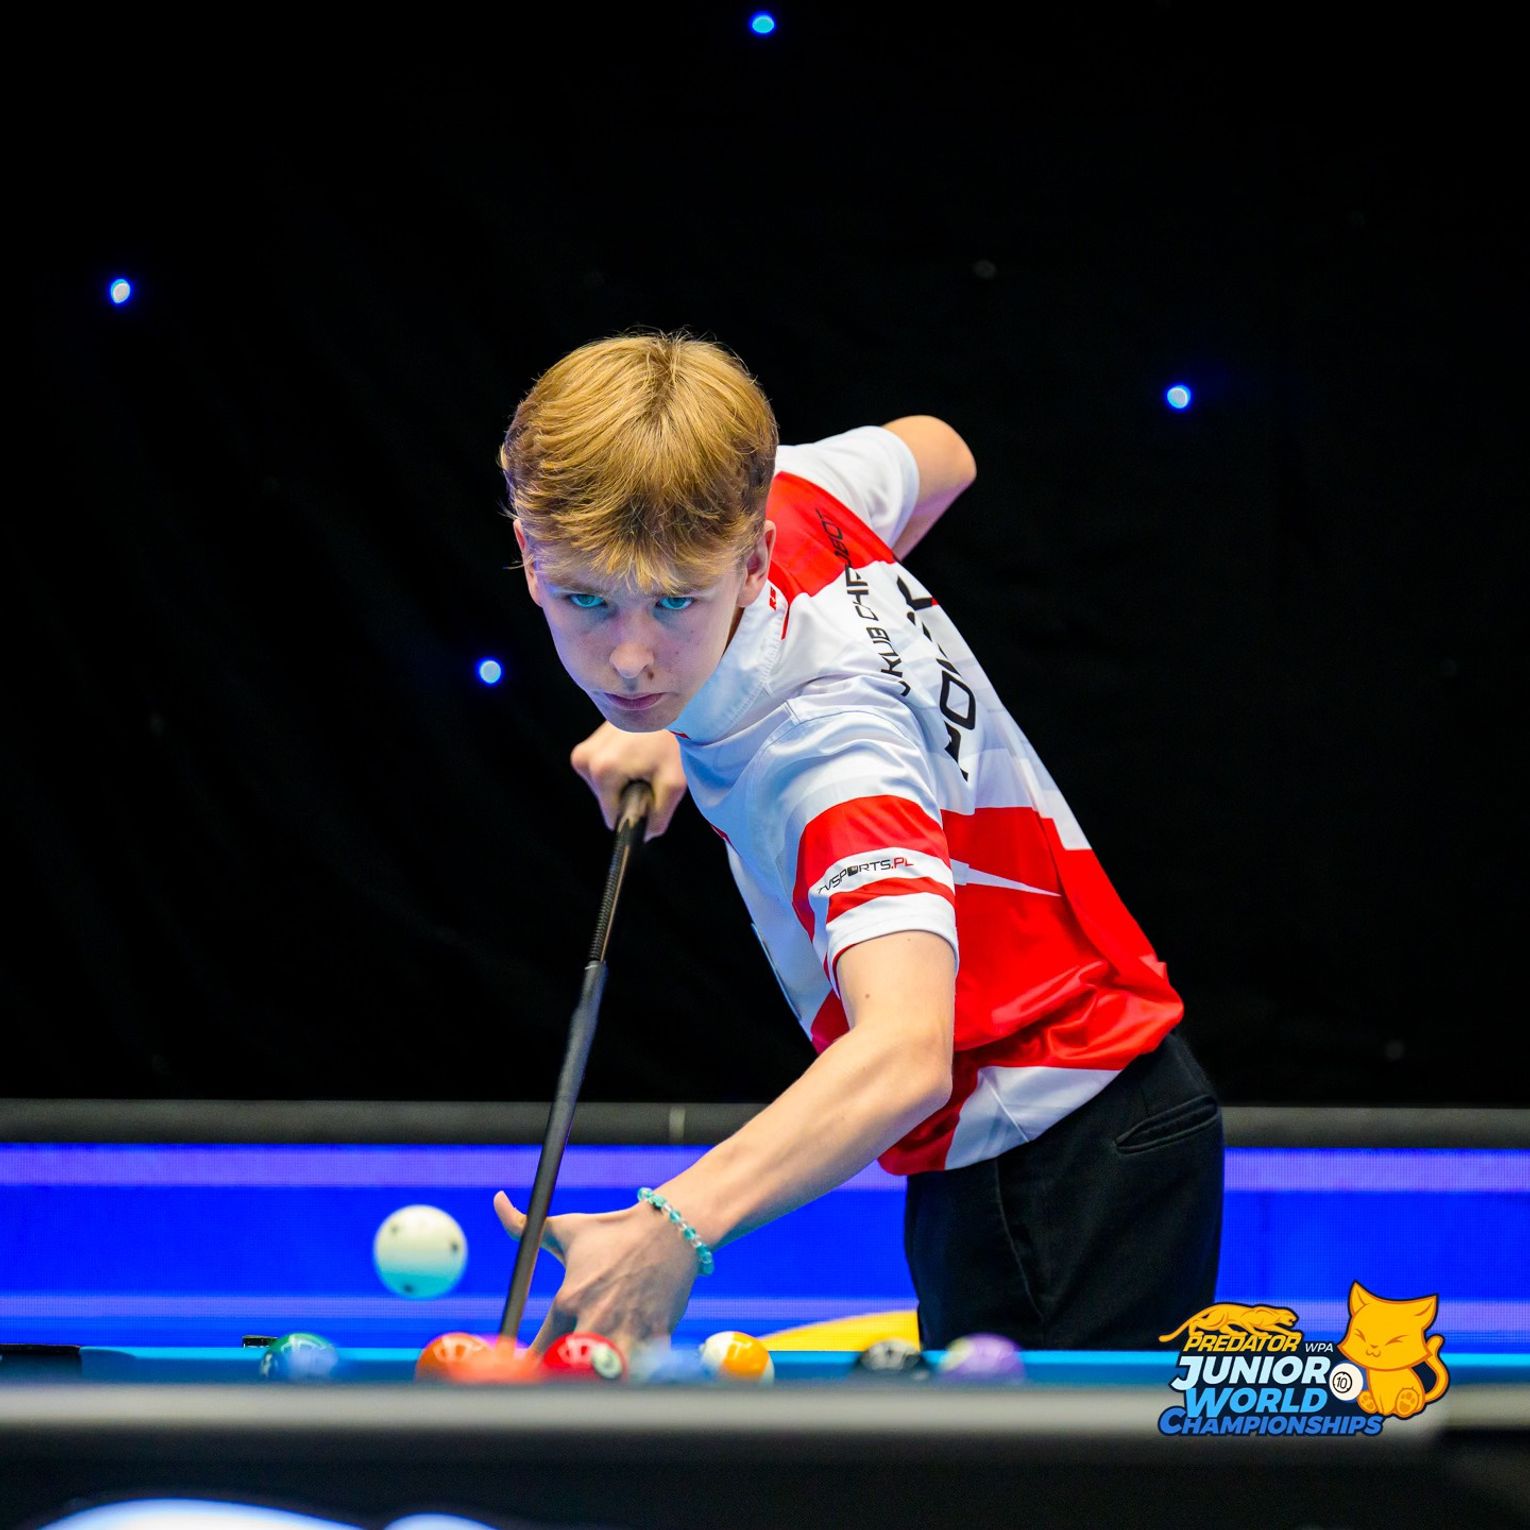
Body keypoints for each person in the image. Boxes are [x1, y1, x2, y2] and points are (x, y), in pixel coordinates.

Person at [492, 330, 1223, 1359]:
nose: (629, 658)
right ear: (528, 554)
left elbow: (905, 1052)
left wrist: (672, 1228)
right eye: (587, 599)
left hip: (1055, 1174)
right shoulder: (793, 492)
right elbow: (943, 451)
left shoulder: (827, 747)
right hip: (1093, 1132)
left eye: (675, 602)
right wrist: (679, 701)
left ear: (751, 559)